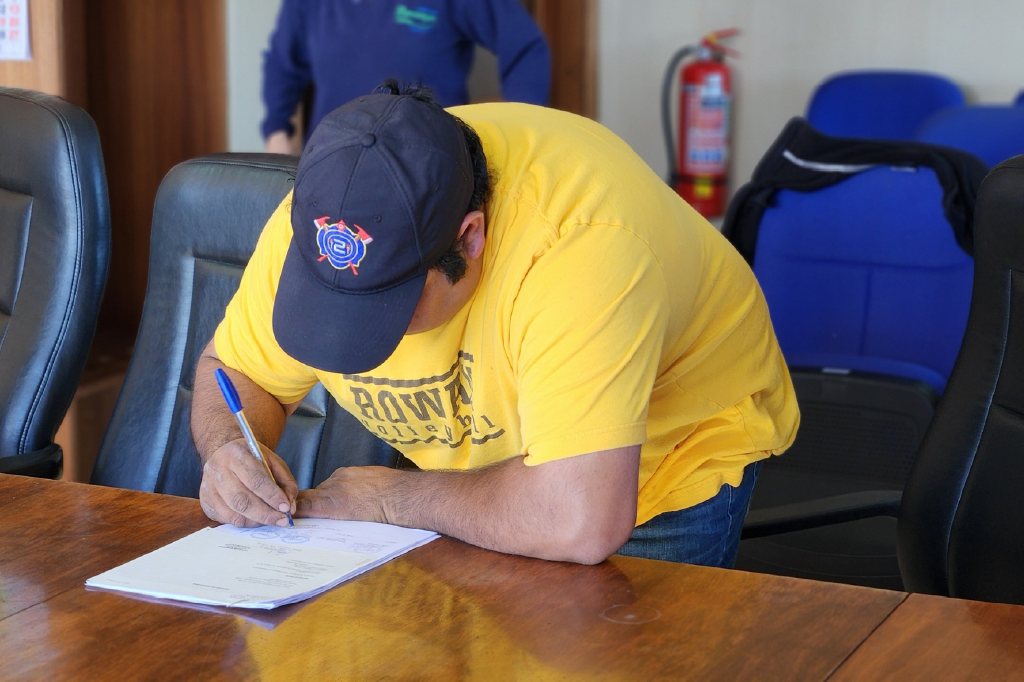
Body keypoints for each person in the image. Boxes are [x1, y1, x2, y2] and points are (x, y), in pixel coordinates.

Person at [192, 81, 799, 567]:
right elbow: (236, 370)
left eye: (386, 305)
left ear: (470, 238)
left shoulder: (578, 250)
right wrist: (229, 451)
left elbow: (580, 518)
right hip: (495, 470)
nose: (351, 333)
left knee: (604, 657)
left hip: (657, 459)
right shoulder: (325, 226)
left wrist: (389, 499)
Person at [262, 0, 551, 154]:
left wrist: (516, 134)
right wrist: (277, 130)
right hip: (330, 162)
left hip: (430, 166)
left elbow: (525, 47)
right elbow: (282, 62)